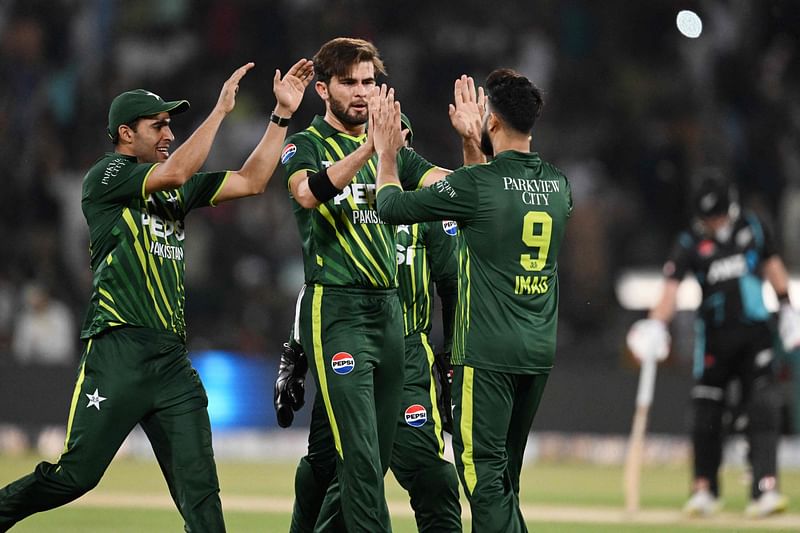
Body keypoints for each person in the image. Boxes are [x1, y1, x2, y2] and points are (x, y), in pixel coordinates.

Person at [0, 57, 314, 532]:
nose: (169, 135)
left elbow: (251, 180)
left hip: (170, 360)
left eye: (171, 126)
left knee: (202, 498)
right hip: (117, 351)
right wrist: (220, 111)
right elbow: (176, 173)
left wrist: (281, 117)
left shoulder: (173, 189)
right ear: (126, 134)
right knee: (74, 477)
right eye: (159, 126)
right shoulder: (105, 178)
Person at [279, 37, 480, 532]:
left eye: (370, 81)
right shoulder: (306, 144)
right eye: (350, 82)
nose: (363, 92)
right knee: (362, 464)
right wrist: (372, 145)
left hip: (393, 318)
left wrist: (472, 141)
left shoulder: (398, 159)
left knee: (366, 460)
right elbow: (307, 194)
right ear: (322, 90)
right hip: (338, 309)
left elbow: (465, 191)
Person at [370, 68, 573, 533]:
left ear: (492, 123)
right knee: (505, 479)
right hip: (538, 353)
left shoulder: (480, 185)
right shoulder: (560, 186)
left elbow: (391, 207)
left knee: (483, 478)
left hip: (486, 354)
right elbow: (495, 206)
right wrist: (473, 144)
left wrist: (386, 155)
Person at [626, 171, 800, 518]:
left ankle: (764, 487)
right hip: (714, 340)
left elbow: (774, 266)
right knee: (706, 412)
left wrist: (786, 308)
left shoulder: (753, 227)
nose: (713, 223)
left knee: (763, 407)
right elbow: (671, 288)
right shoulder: (690, 241)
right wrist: (657, 325)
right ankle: (704, 487)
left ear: (730, 208)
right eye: (707, 218)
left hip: (755, 335)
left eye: (717, 216)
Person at [12, 282, 75, 366]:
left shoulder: (60, 314)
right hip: (32, 368)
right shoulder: (25, 318)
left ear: (44, 296)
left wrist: (40, 349)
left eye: (37, 297)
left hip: (59, 367)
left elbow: (65, 347)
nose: (34, 302)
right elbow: (20, 348)